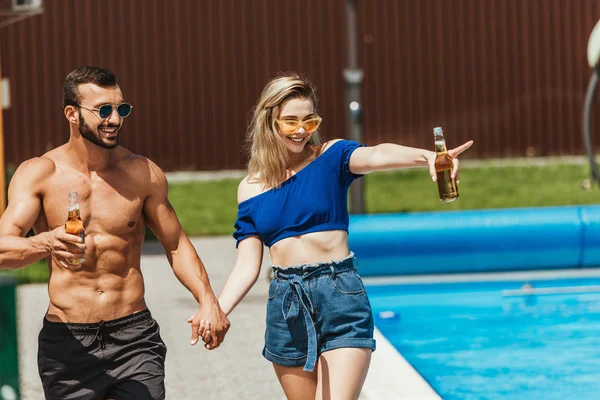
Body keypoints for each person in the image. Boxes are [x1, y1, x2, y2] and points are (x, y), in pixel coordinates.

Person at [210, 73, 473, 399]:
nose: (301, 130)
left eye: (309, 120)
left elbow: (377, 154)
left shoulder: (331, 157)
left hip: (339, 294)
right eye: (290, 121)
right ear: (270, 121)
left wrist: (427, 157)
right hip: (286, 303)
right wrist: (216, 308)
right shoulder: (249, 189)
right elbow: (247, 266)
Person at [0, 66, 229, 400]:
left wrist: (208, 299)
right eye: (103, 110)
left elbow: (176, 243)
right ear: (72, 114)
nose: (115, 119)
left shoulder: (142, 173)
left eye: (121, 109)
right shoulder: (39, 174)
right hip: (68, 341)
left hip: (134, 336)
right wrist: (46, 241)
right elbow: (4, 251)